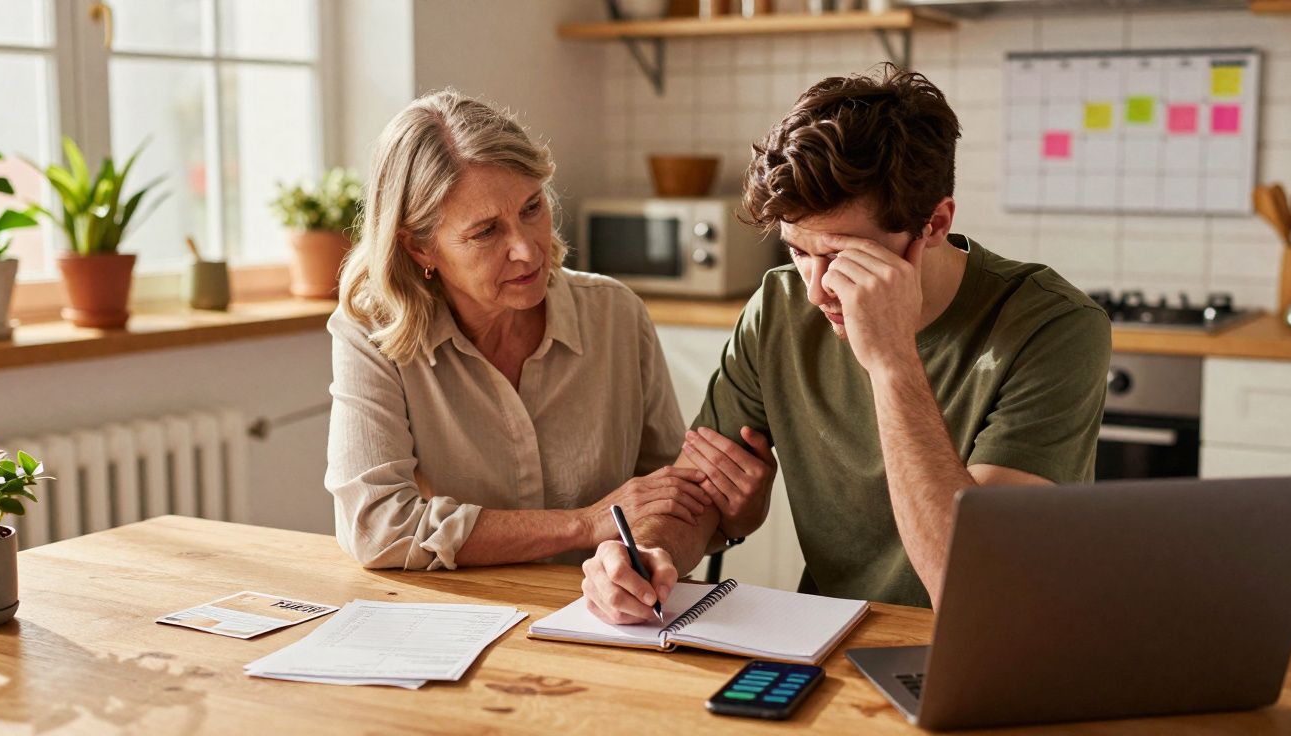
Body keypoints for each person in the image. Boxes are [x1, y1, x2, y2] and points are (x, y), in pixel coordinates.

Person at [580, 65, 1111, 621]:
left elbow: (975, 589)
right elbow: (699, 496)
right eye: (797, 251)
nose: (815, 291)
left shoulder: (1054, 326)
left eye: (843, 256)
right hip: (829, 634)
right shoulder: (779, 305)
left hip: (986, 645)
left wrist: (892, 361)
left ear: (934, 224)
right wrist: (647, 556)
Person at [326, 89, 712, 570]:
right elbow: (376, 527)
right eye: (486, 232)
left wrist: (643, 563)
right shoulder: (372, 334)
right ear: (419, 248)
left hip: (600, 607)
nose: (528, 250)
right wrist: (584, 524)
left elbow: (670, 497)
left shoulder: (616, 315)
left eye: (532, 208)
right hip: (463, 610)